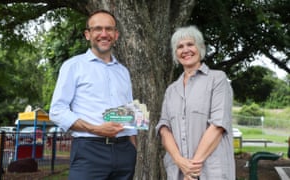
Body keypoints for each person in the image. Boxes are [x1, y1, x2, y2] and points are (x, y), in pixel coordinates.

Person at [49, 9, 137, 180]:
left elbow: (129, 112)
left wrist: (133, 147)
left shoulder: (123, 71)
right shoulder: (73, 66)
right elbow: (57, 111)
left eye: (109, 29)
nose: (104, 34)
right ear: (88, 34)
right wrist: (96, 129)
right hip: (89, 151)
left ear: (116, 34)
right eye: (97, 29)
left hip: (124, 152)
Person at [155, 25, 235, 180]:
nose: (185, 50)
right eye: (180, 47)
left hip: (211, 172)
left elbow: (218, 125)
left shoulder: (217, 79)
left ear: (201, 48)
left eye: (190, 44)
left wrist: (191, 170)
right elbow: (164, 129)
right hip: (178, 172)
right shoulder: (171, 90)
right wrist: (179, 161)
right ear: (175, 53)